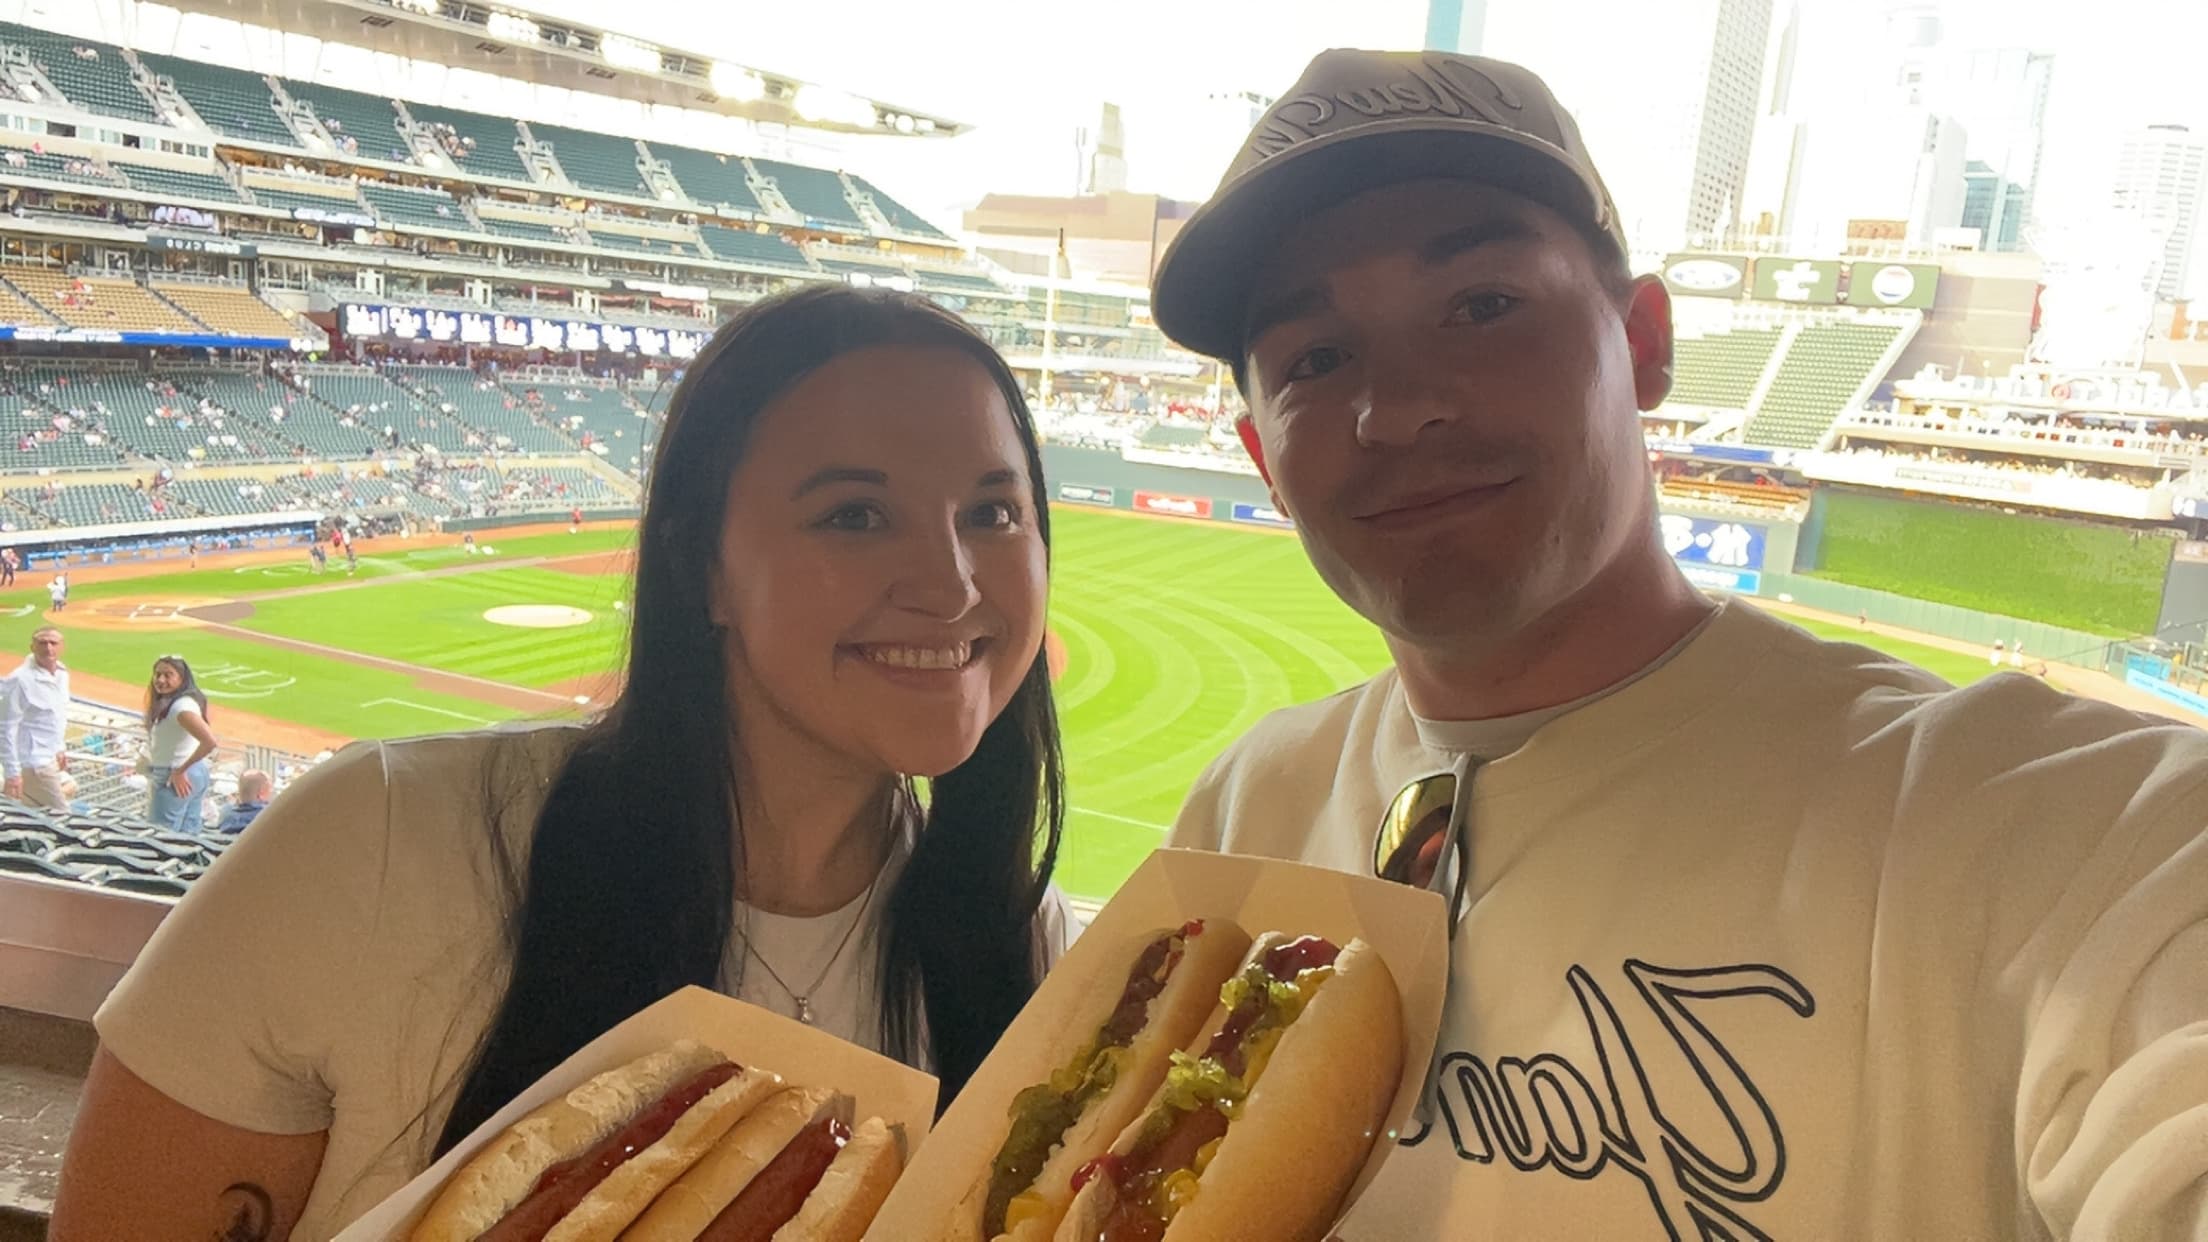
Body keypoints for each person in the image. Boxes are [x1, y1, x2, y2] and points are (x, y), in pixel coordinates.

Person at [1148, 50, 2208, 1240]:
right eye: (1317, 361)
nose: (1398, 410)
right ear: (1261, 463)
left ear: (1646, 343)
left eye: (1482, 306)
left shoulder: (2058, 832)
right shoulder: (1246, 809)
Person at [55, 285, 1076, 1239]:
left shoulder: (1031, 951)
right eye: (854, 515)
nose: (949, 584)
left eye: (992, 512)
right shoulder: (372, 845)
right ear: (701, 566)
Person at [141, 656, 216, 835]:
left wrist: (180, 770)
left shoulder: (181, 708)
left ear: (182, 679)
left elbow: (210, 742)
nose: (160, 680)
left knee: (160, 837)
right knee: (188, 834)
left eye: (168, 675)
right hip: (191, 772)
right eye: (157, 674)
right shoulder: (179, 703)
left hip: (174, 776)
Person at [0, 626, 71, 811]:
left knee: (34, 815)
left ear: (62, 647)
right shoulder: (19, 680)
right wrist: (12, 772)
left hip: (48, 758)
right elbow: (5, 727)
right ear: (32, 647)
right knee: (64, 818)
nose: (48, 648)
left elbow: (56, 716)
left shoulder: (62, 675)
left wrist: (59, 747)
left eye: (53, 643)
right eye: (42, 643)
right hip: (34, 764)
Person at [214, 769, 272, 834]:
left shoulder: (225, 811)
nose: (271, 792)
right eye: (270, 789)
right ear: (262, 791)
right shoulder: (268, 817)